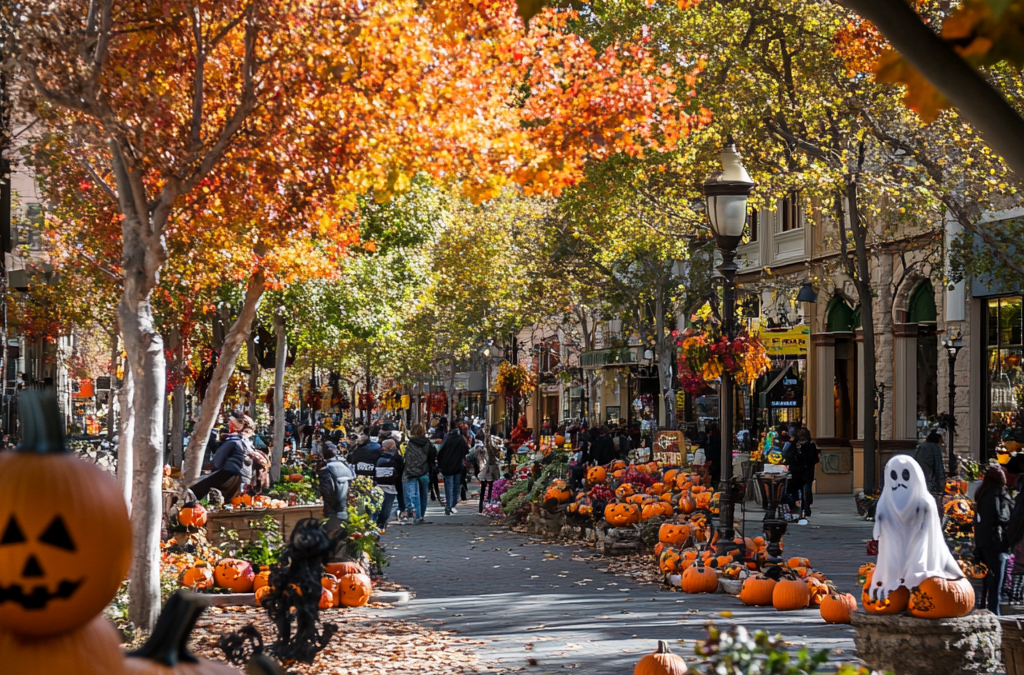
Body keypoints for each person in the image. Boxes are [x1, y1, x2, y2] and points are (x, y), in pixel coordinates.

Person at [974, 465, 1013, 614]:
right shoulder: (995, 493)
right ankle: (994, 612)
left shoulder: (982, 493)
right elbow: (996, 515)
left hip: (983, 540)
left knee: (987, 578)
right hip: (995, 540)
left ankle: (983, 608)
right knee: (997, 579)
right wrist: (1009, 522)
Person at [190, 416, 248, 501]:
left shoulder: (231, 442)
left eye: (230, 424)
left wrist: (212, 469)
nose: (228, 425)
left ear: (235, 426)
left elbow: (217, 461)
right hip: (236, 477)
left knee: (196, 488)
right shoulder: (241, 442)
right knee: (229, 501)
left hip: (226, 474)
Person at [403, 424, 433, 523]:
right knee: (424, 495)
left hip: (411, 472)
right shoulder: (428, 443)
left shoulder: (409, 443)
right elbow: (432, 456)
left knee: (414, 495)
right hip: (424, 472)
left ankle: (417, 516)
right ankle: (421, 516)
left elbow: (406, 458)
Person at [319, 442, 355, 523]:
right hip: (348, 508)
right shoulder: (346, 466)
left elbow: (327, 491)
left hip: (335, 510)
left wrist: (329, 508)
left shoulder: (326, 470)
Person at [437, 425, 469, 515]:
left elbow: (440, 452)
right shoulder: (461, 439)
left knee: (449, 487)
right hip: (458, 466)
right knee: (456, 487)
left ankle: (449, 505)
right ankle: (452, 505)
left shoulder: (447, 439)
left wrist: (440, 464)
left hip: (447, 466)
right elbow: (466, 450)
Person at [374, 439, 404, 531]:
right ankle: (381, 525)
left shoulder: (376, 456)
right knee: (387, 508)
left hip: (378, 486)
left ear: (383, 447)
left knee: (377, 507)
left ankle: (377, 525)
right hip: (392, 487)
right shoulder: (398, 458)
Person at [792, 428, 819, 518]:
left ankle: (803, 507)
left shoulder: (798, 445)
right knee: (806, 489)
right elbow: (814, 459)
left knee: (801, 490)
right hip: (806, 471)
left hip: (800, 471)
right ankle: (806, 507)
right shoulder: (810, 445)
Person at [914, 431, 947, 503]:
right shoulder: (935, 448)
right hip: (930, 481)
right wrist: (942, 487)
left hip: (918, 479)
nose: (941, 444)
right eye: (941, 441)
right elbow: (939, 468)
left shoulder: (921, 447)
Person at [476, 434, 501, 513]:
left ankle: (482, 507)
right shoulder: (489, 450)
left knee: (484, 489)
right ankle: (487, 505)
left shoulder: (479, 449)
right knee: (488, 488)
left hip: (484, 471)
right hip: (488, 471)